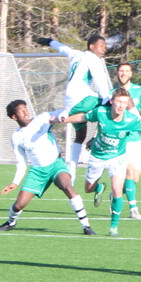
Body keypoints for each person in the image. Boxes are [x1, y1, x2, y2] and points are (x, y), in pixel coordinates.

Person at [60, 87, 141, 236]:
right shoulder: (101, 112)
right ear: (112, 101)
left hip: (117, 157)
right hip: (97, 156)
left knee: (117, 190)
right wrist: (65, 120)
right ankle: (99, 187)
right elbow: (82, 117)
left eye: (125, 103)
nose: (121, 106)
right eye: (119, 102)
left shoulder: (130, 119)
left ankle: (114, 226)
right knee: (88, 188)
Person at [0, 100, 95, 235]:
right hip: (38, 171)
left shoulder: (41, 119)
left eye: (26, 109)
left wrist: (59, 117)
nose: (26, 112)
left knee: (67, 187)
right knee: (19, 205)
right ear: (14, 117)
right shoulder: (16, 137)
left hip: (56, 164)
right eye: (21, 111)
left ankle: (86, 226)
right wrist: (15, 182)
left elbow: (62, 112)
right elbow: (22, 162)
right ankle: (11, 222)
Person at [34, 34, 113, 181]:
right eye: (102, 46)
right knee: (112, 105)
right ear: (91, 46)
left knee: (80, 136)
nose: (104, 49)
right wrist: (108, 100)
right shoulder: (93, 59)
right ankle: (96, 138)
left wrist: (49, 42)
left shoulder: (76, 54)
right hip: (82, 99)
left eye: (105, 47)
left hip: (70, 101)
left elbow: (62, 48)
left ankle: (72, 172)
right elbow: (100, 80)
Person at [116, 62, 141, 220]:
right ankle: (133, 209)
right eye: (121, 71)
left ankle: (115, 195)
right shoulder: (112, 93)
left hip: (137, 139)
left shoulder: (140, 91)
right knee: (129, 171)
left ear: (131, 73)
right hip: (121, 139)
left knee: (134, 178)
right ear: (117, 73)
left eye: (126, 71)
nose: (123, 74)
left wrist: (138, 113)